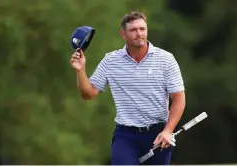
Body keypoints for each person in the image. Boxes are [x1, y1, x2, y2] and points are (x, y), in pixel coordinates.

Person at [70, 11, 186, 165]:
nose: (139, 33)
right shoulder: (110, 61)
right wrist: (80, 70)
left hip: (158, 134)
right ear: (123, 34)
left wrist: (168, 130)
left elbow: (179, 99)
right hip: (126, 135)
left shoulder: (165, 59)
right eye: (133, 30)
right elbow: (88, 94)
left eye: (142, 29)